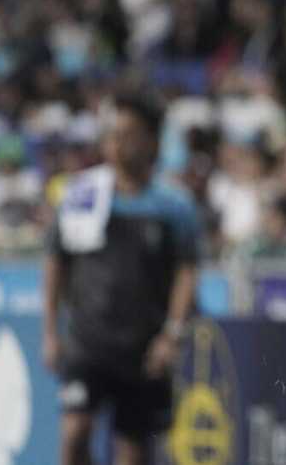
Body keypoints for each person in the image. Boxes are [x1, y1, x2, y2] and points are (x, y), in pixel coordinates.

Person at [42, 93, 201, 465]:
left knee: (132, 452)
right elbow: (55, 262)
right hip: (88, 343)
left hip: (143, 351)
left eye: (128, 134)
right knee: (74, 434)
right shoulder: (81, 193)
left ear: (152, 141)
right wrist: (51, 330)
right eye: (112, 134)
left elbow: (187, 270)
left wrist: (171, 335)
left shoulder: (174, 206)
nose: (117, 143)